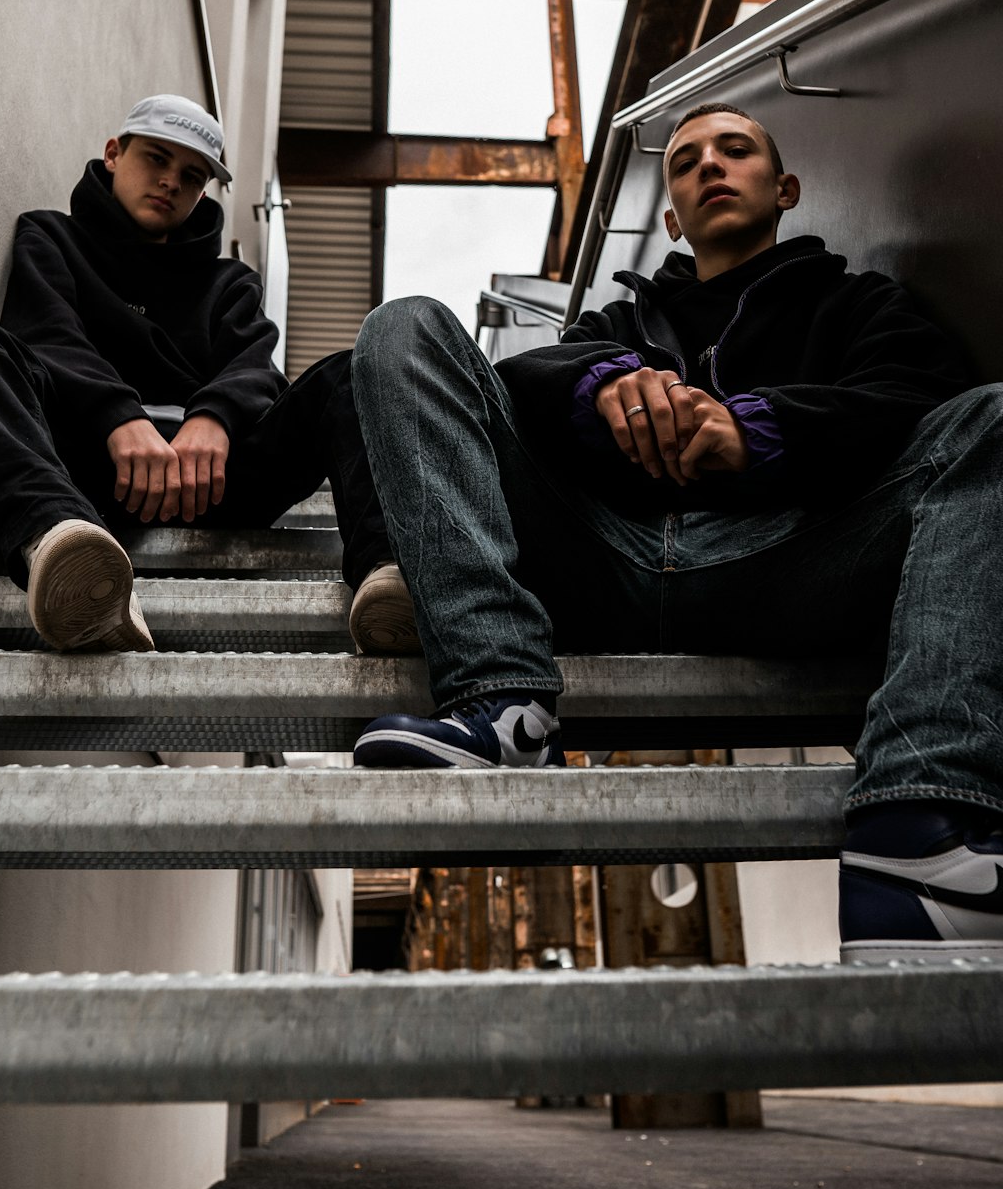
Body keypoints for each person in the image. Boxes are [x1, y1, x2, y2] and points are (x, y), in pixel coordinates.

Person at [346, 101, 1003, 963]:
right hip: (603, 560)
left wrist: (756, 431)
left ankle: (920, 835)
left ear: (786, 188)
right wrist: (604, 385)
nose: (710, 168)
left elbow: (918, 397)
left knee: (989, 419)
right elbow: (526, 381)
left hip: (783, 569)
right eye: (687, 161)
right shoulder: (617, 325)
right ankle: (501, 704)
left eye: (736, 151)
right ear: (670, 216)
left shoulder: (856, 304)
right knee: (403, 328)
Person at [0, 94, 416, 656]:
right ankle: (61, 549)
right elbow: (47, 335)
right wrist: (119, 420)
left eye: (191, 175)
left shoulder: (230, 281)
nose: (170, 183)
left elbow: (256, 367)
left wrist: (213, 418)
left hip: (212, 483)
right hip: (88, 470)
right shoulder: (51, 237)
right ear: (114, 153)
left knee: (353, 372)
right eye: (156, 159)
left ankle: (388, 574)